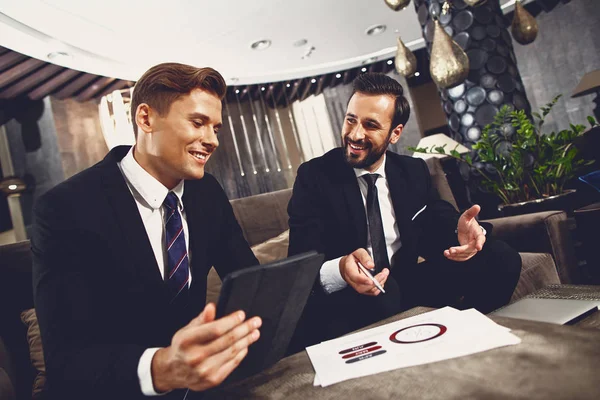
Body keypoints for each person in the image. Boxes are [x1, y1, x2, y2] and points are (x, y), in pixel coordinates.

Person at [31, 63, 262, 400]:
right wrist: (162, 368)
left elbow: (251, 280)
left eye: (216, 128)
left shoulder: (207, 192)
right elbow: (67, 362)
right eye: (198, 123)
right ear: (145, 118)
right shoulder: (65, 209)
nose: (211, 140)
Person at [287, 72, 521, 350]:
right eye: (351, 119)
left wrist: (462, 234)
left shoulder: (412, 171)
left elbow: (437, 220)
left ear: (395, 133)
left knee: (501, 257)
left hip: (406, 284)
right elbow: (301, 260)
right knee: (384, 297)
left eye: (371, 125)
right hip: (352, 296)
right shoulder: (314, 176)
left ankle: (467, 339)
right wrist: (341, 269)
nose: (354, 134)